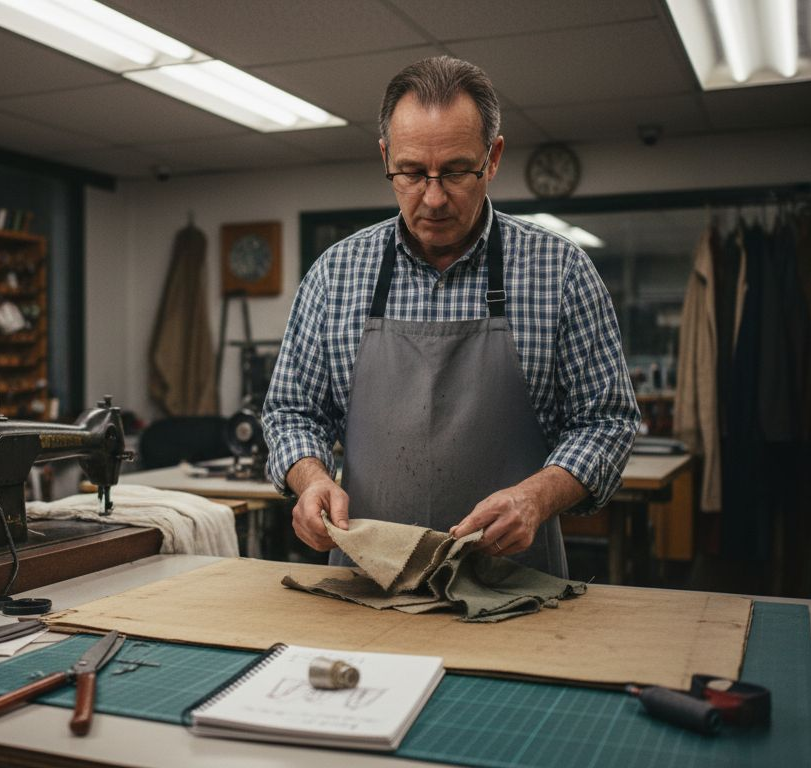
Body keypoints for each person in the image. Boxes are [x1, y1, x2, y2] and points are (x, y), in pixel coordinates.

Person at [262, 56, 639, 578]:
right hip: (367, 587)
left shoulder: (560, 271)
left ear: (494, 157)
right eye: (412, 173)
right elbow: (290, 412)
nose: (434, 198)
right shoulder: (336, 274)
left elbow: (608, 422)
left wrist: (536, 497)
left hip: (515, 589)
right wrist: (310, 480)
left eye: (457, 171)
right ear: (385, 156)